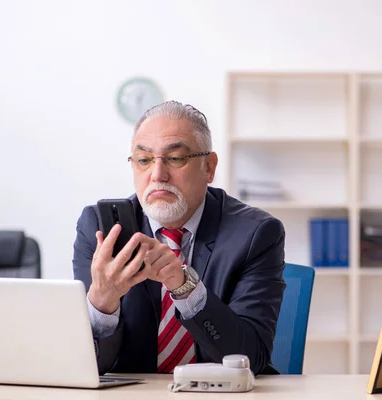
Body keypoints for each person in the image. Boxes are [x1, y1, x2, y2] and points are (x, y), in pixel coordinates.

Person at [72, 101, 286, 375]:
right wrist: (103, 303)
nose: (157, 175)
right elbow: (88, 368)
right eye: (144, 160)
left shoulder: (255, 233)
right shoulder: (100, 229)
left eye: (175, 159)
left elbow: (249, 359)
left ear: (209, 167)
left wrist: (184, 287)